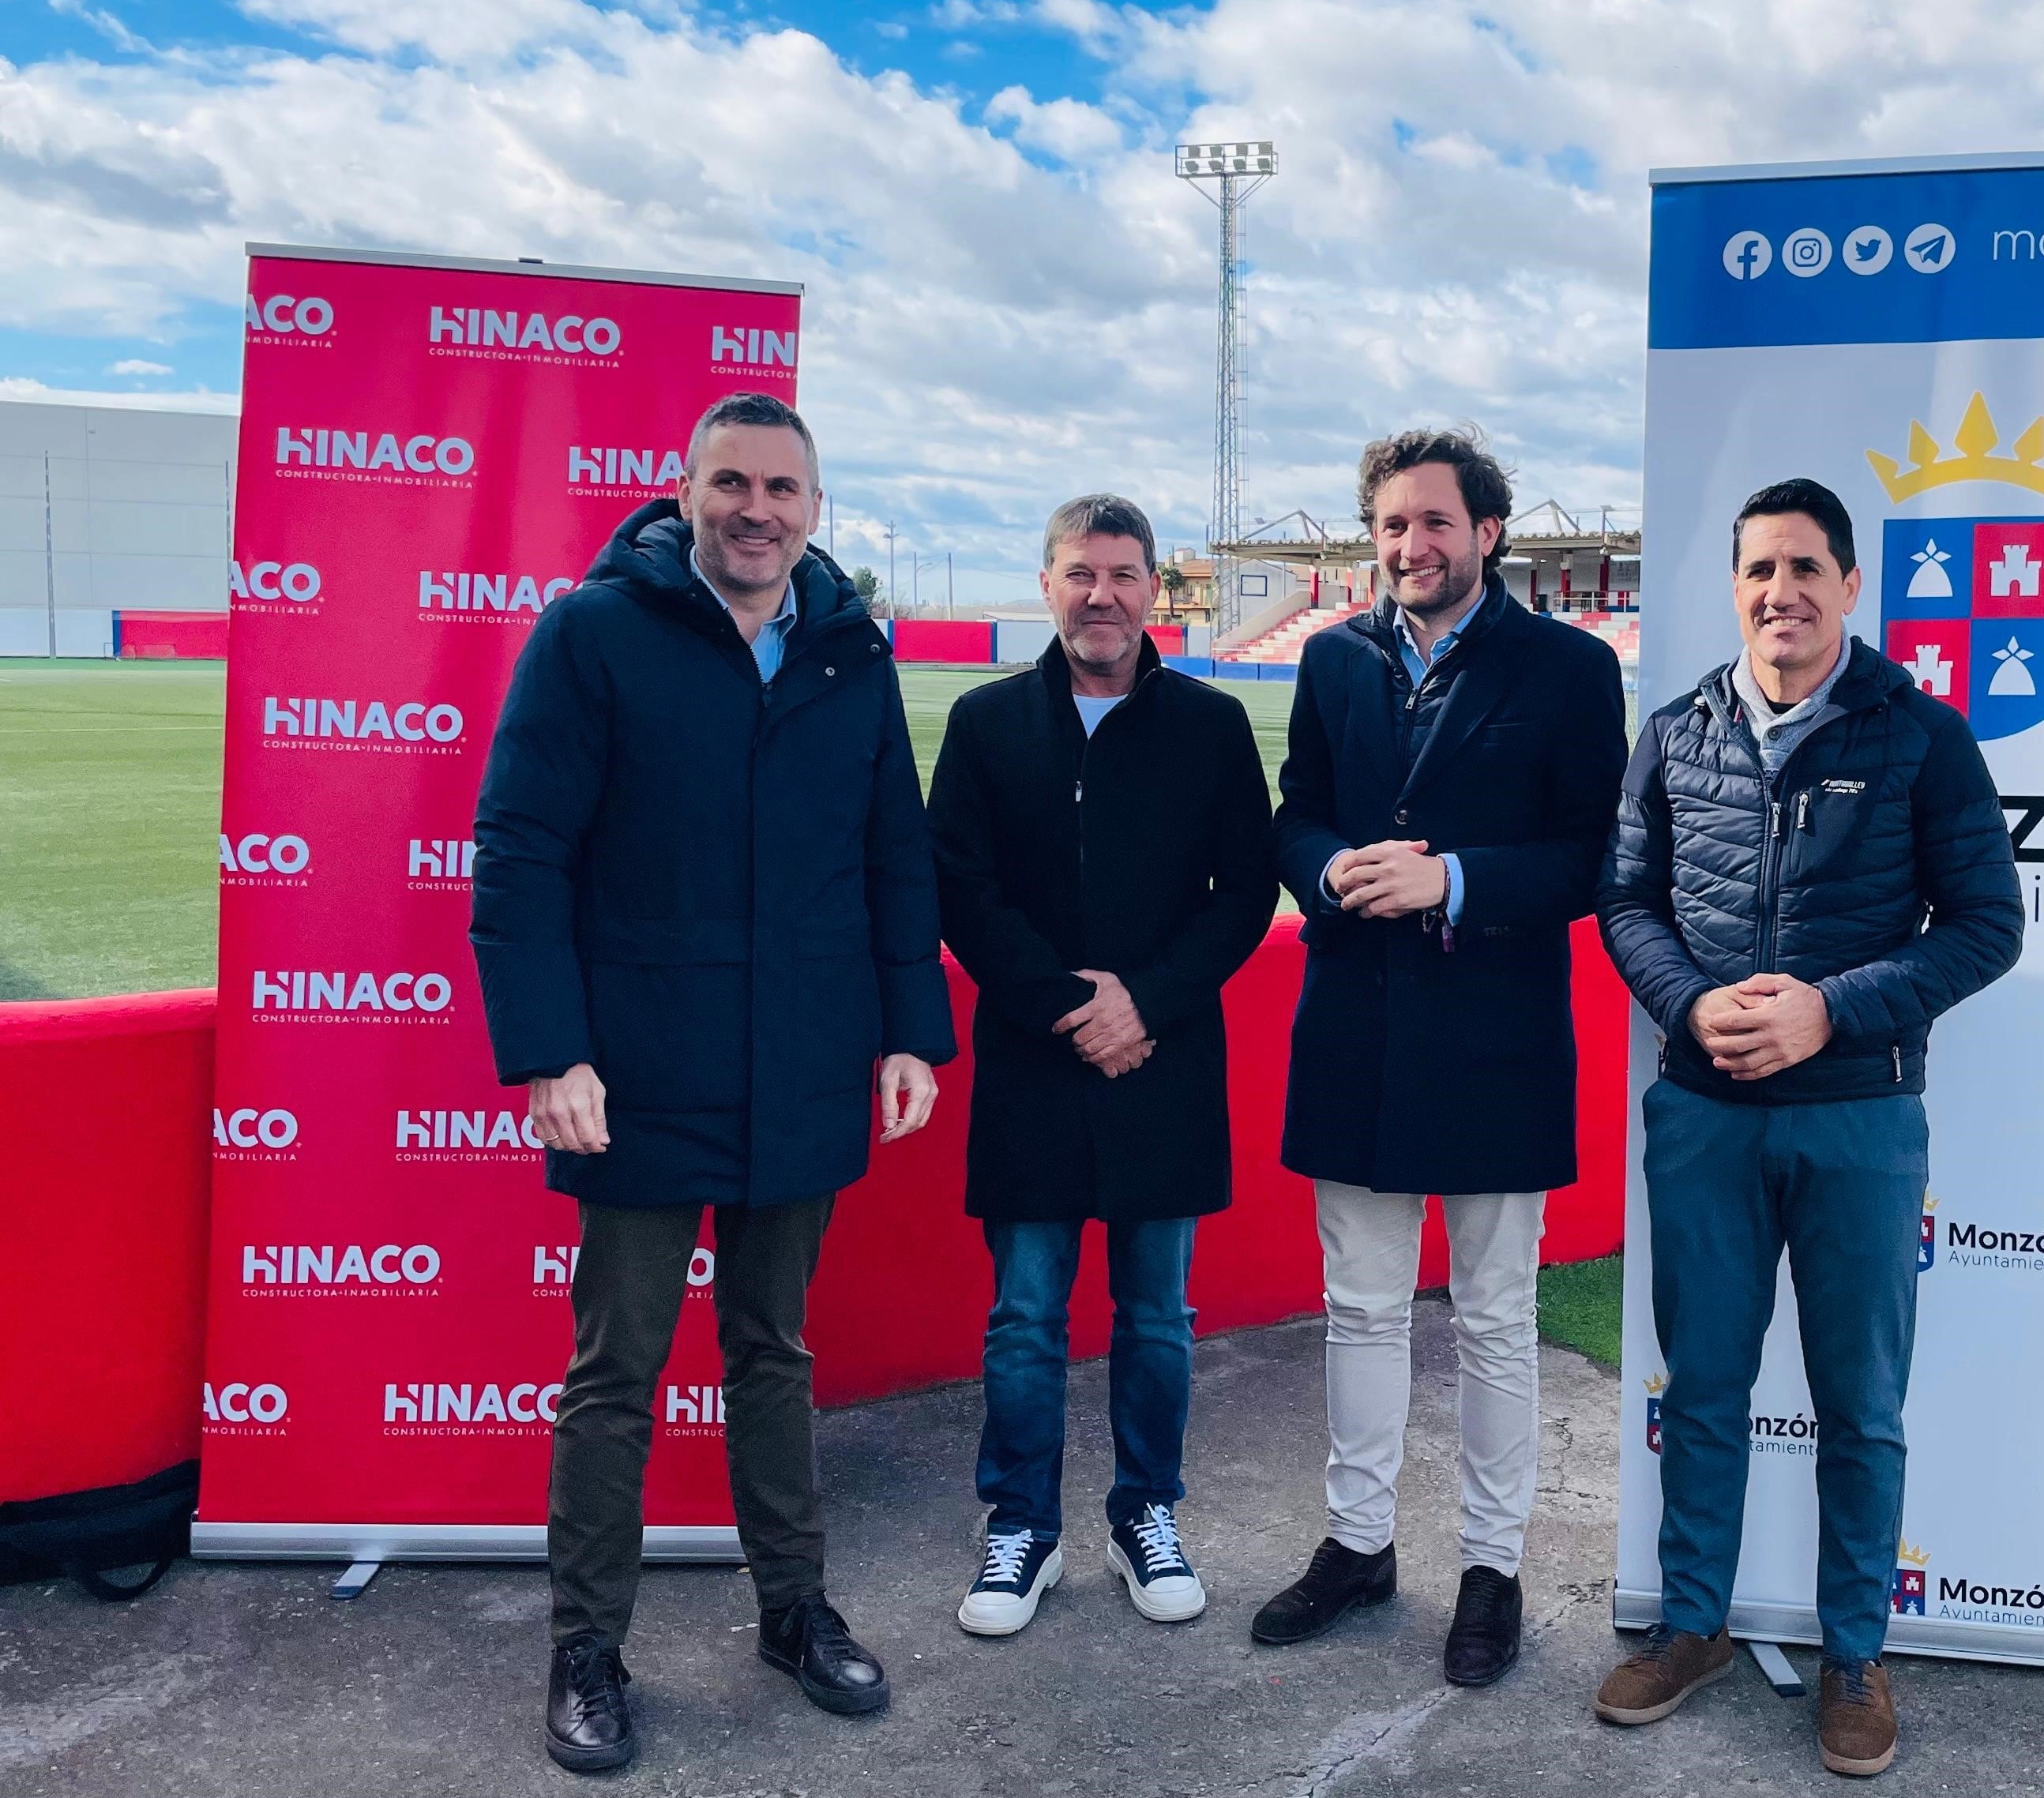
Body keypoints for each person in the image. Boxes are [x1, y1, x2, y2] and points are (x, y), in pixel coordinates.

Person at [470, 392, 954, 1775]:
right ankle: (586, 1651)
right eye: (731, 484)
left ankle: (795, 1615)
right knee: (615, 1372)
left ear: (815, 510)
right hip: (634, 1075)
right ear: (686, 493)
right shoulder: (593, 632)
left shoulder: (851, 654)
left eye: (783, 490)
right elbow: (522, 850)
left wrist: (910, 1031)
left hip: (799, 1068)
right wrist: (549, 1051)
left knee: (776, 1357)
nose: (757, 510)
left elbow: (892, 857)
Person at [1591, 479, 2023, 1776]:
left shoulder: (1923, 736)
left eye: (1806, 570)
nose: (1781, 593)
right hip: (1705, 1116)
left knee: (1860, 1404)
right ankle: (1691, 1627)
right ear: (1734, 589)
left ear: (1848, 588)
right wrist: (1694, 999)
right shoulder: (1673, 733)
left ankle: (1854, 1657)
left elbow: (1988, 927)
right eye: (1760, 571)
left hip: (1857, 1121)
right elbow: (1625, 904)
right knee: (1706, 1387)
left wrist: (1827, 1014)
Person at [1252, 427, 1627, 1687]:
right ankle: (1359, 1545)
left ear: (1489, 534)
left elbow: (1594, 858)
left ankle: (1490, 1568)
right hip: (1355, 1028)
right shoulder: (1331, 659)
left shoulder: (1568, 668)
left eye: (1435, 524)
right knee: (1357, 1308)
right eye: (1394, 527)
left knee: (1494, 1318)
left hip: (1495, 1039)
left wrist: (1451, 878)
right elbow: (1296, 808)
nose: (1413, 546)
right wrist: (1326, 872)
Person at [929, 494, 1276, 1637]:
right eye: (1082, 573)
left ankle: (1146, 1513)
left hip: (1162, 1064)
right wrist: (1071, 1006)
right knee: (1024, 1317)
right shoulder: (984, 724)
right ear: (1047, 585)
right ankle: (1021, 1525)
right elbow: (962, 889)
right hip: (1037, 1062)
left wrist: (1149, 1004)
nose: (1103, 595)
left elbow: (1244, 895)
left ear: (1152, 592)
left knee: (1158, 1316)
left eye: (1124, 575)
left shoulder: (1214, 727)